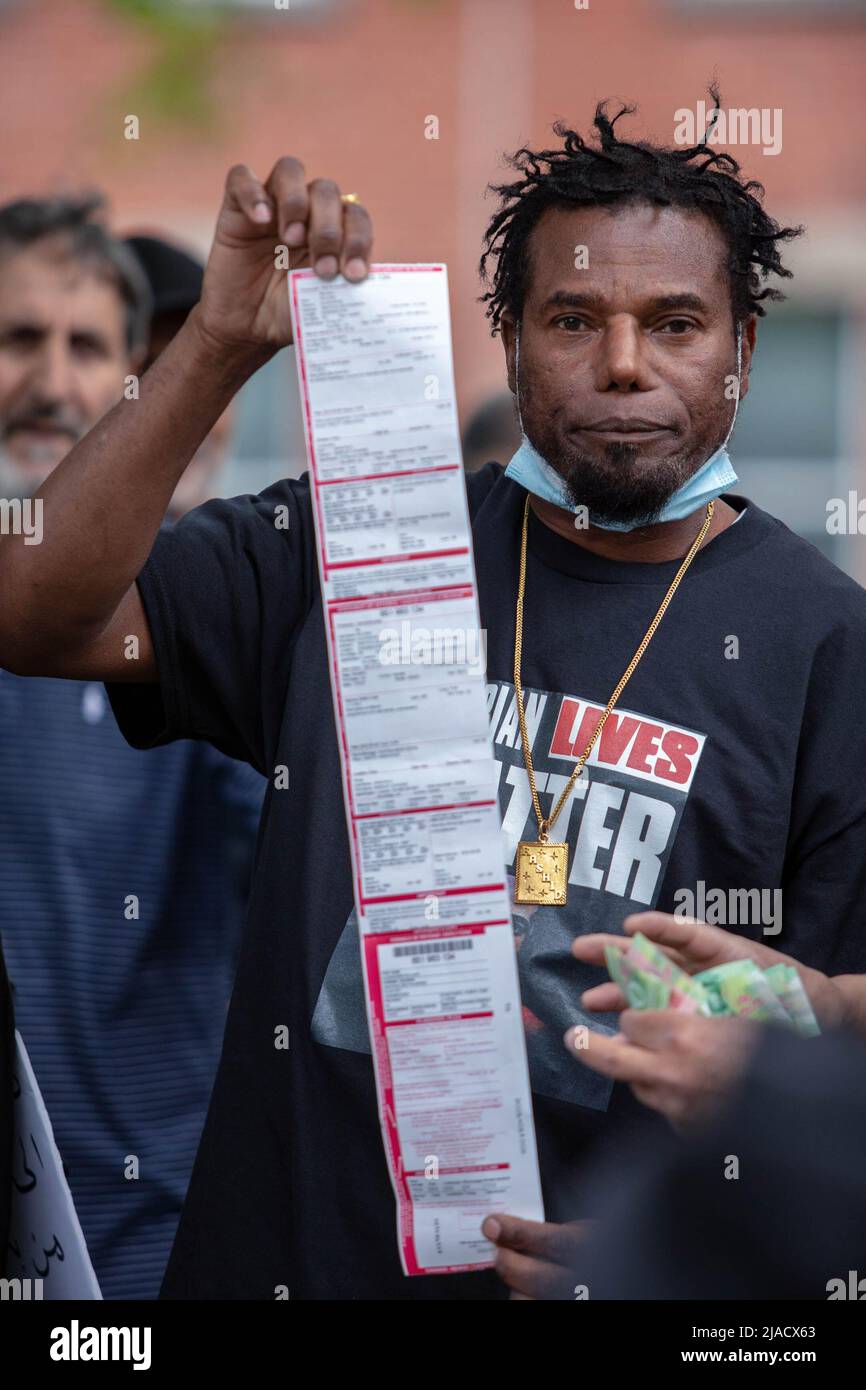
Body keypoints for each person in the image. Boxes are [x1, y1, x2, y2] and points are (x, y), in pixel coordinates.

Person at [2, 93, 866, 1301]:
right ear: (507, 341)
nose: (623, 363)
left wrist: (664, 1272)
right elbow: (37, 613)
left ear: (741, 350)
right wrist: (209, 347)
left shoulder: (828, 646)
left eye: (674, 322)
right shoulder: (353, 540)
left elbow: (835, 1057)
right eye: (572, 319)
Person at [0, 195, 264, 1299]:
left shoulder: (185, 624)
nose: (54, 383)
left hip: (142, 1258)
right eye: (18, 339)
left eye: (88, 348)